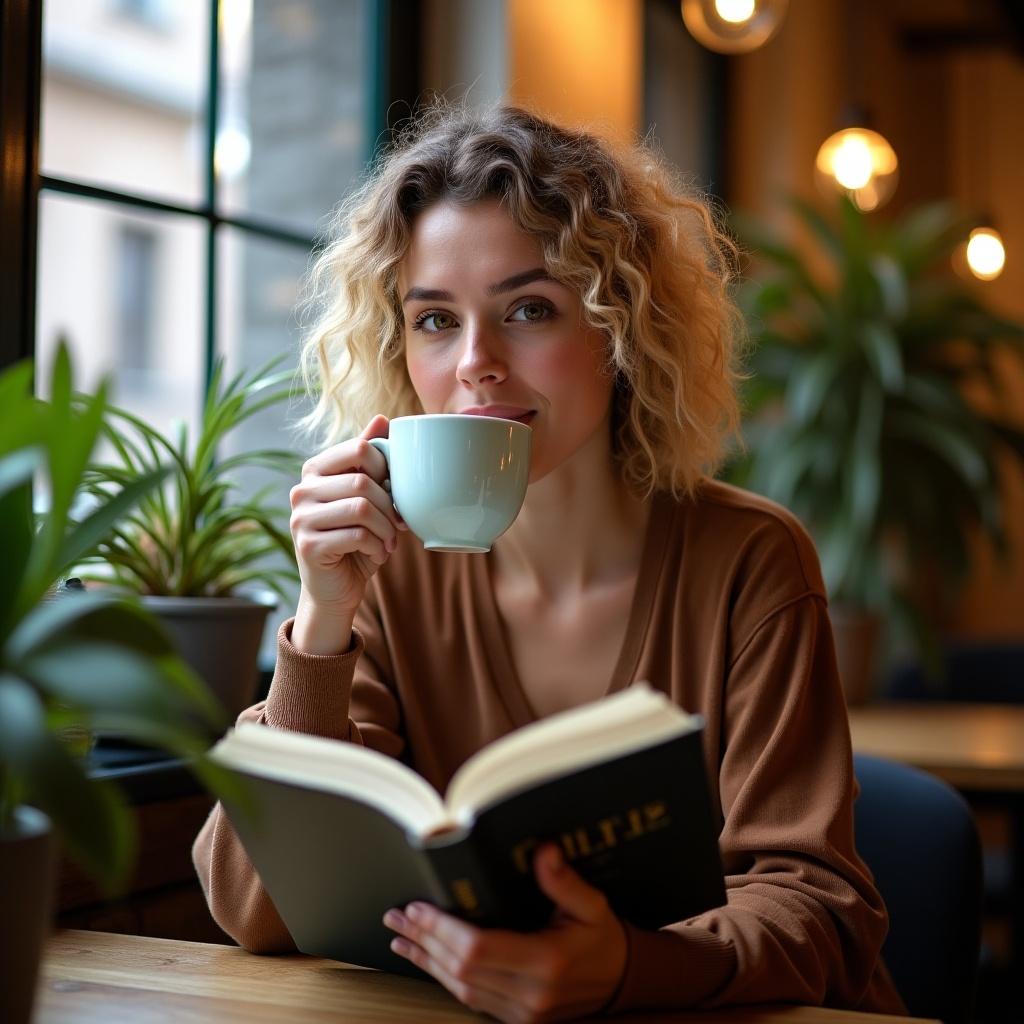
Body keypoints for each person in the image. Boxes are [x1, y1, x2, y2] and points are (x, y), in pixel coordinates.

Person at [193, 104, 906, 1020]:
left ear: (620, 328)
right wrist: (320, 620)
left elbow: (821, 915)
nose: (476, 364)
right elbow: (254, 906)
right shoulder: (388, 573)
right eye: (435, 321)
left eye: (529, 309)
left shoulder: (750, 562)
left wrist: (625, 972)